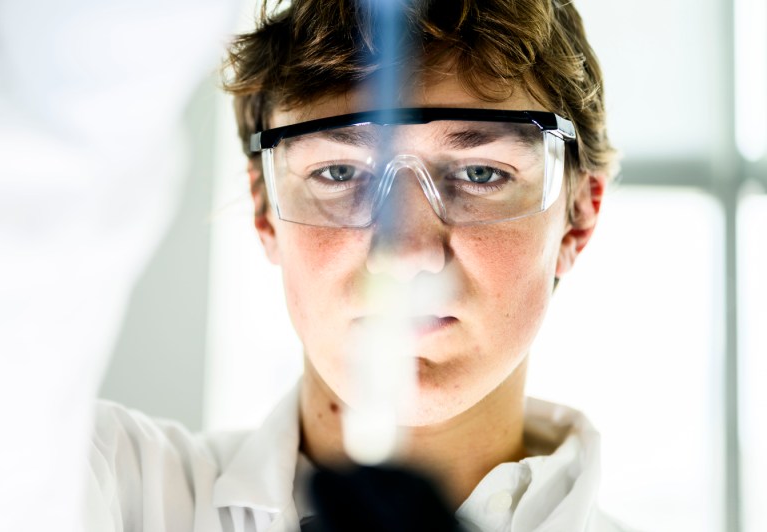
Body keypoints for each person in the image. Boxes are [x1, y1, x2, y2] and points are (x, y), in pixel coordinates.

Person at [83, 0, 627, 530]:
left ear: (578, 217)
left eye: (481, 173)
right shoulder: (110, 487)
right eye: (340, 173)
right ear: (265, 211)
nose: (406, 255)